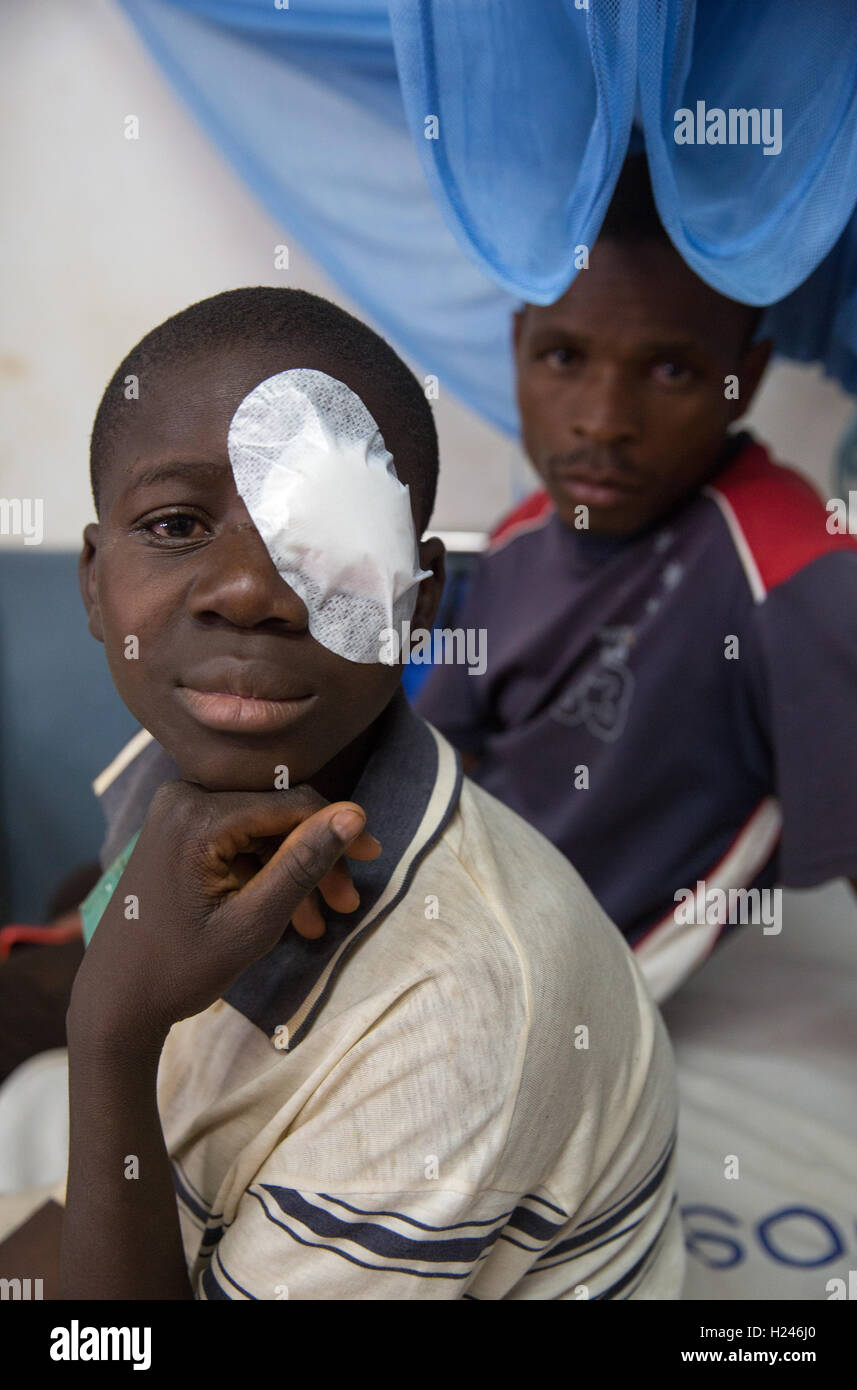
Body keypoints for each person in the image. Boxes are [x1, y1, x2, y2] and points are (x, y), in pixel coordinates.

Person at [0, 287, 682, 1300]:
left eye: (323, 542)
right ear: (96, 583)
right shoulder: (176, 789)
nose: (252, 591)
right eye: (179, 523)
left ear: (417, 604)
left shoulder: (457, 1015)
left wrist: (109, 1035)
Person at [416, 154, 857, 1004]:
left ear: (747, 381)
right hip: (428, 920)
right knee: (120, 904)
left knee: (132, 981)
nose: (603, 420)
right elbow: (433, 764)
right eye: (563, 357)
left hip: (543, 994)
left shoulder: (797, 577)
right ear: (518, 348)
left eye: (671, 372)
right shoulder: (520, 541)